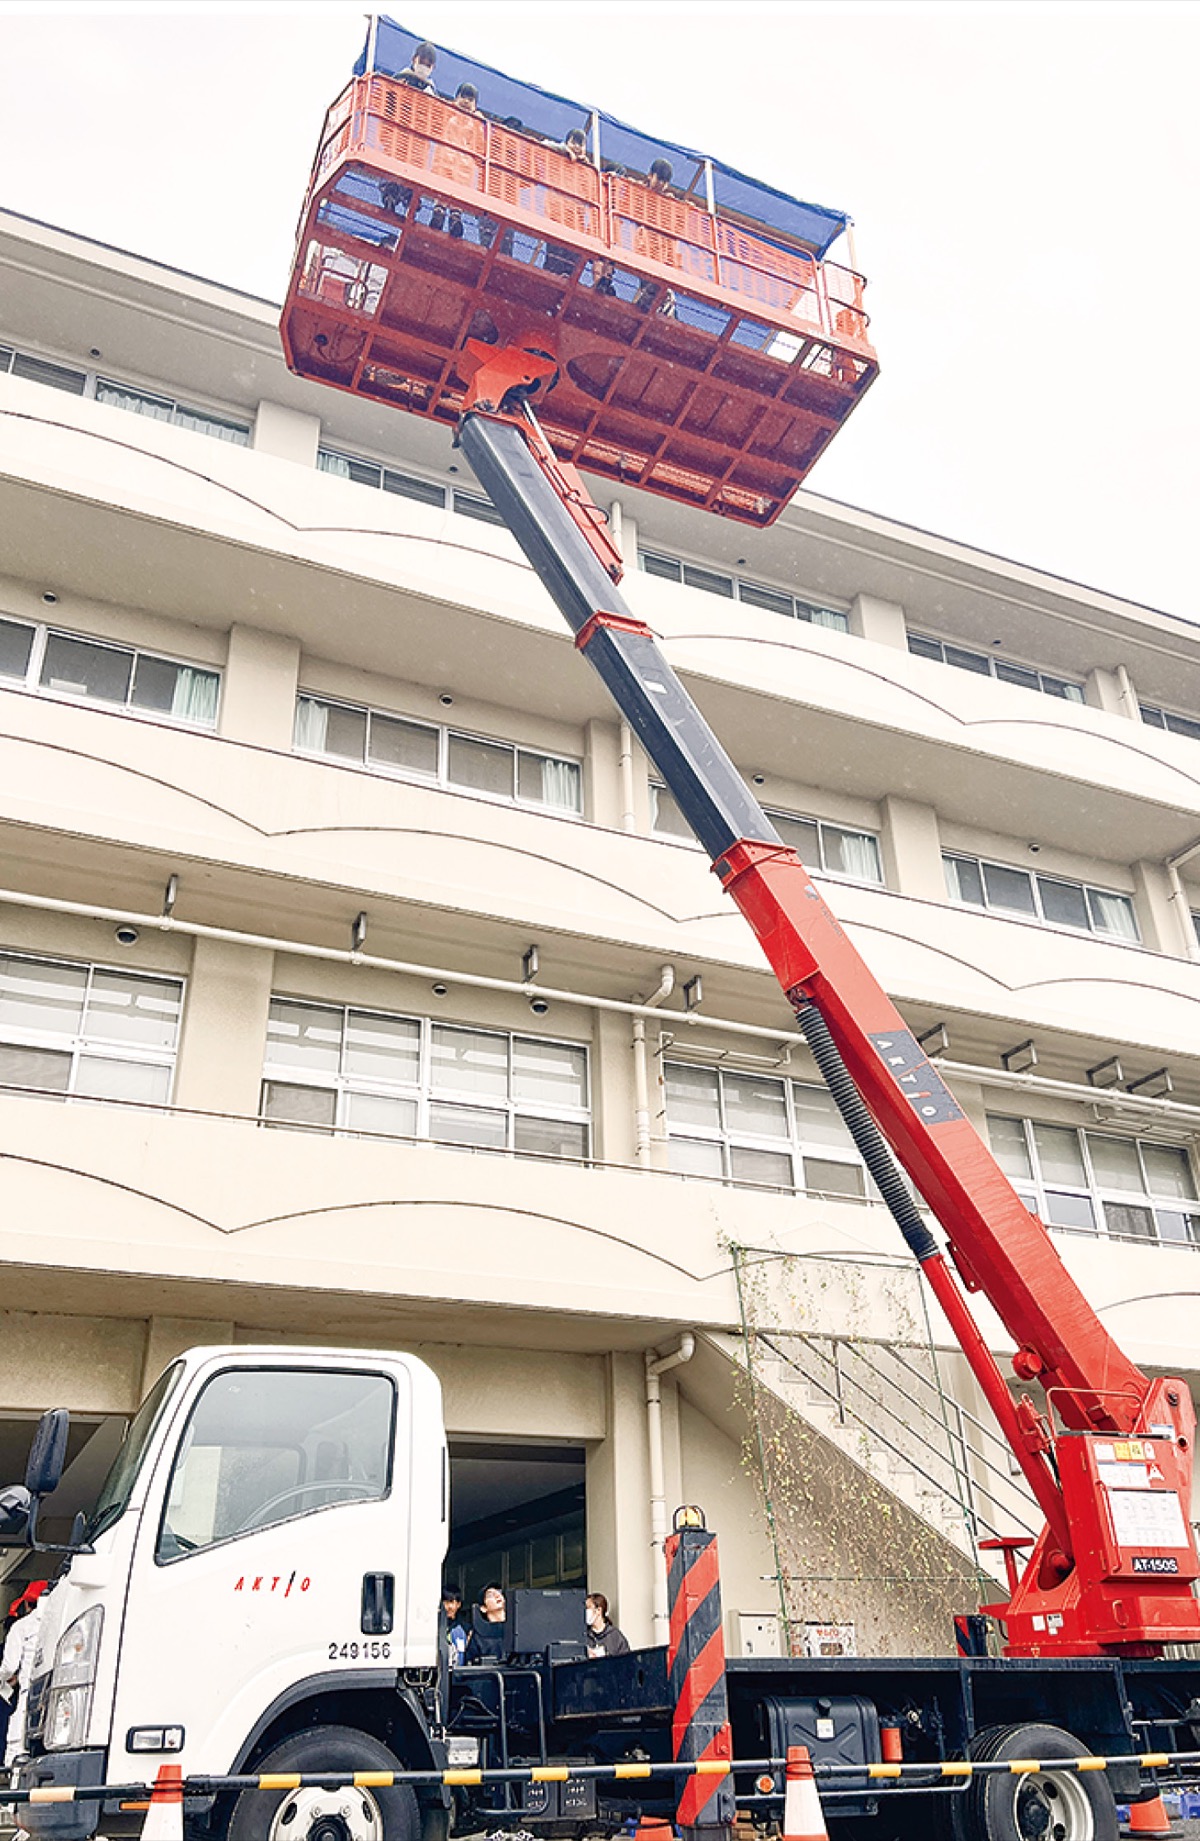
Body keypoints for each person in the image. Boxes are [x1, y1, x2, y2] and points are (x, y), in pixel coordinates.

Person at [3, 1581, 49, 1766]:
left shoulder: (22, 1626)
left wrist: (4, 1684)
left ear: (28, 1604)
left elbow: (9, 1666)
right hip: (55, 1697)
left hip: (27, 1696)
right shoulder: (63, 1619)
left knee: (17, 1755)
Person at [465, 1582, 506, 1662]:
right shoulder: (478, 1636)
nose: (497, 1595)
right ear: (483, 1608)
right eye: (490, 1595)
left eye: (499, 1592)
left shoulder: (518, 1629)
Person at [585, 1592, 630, 1658]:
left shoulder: (615, 1636)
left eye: (588, 1607)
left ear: (598, 1610)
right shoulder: (584, 1635)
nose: (585, 1611)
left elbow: (627, 1661)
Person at [441, 1582, 468, 1667]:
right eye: (446, 1602)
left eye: (452, 1602)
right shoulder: (436, 1627)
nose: (449, 1606)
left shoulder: (465, 1629)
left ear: (458, 1604)